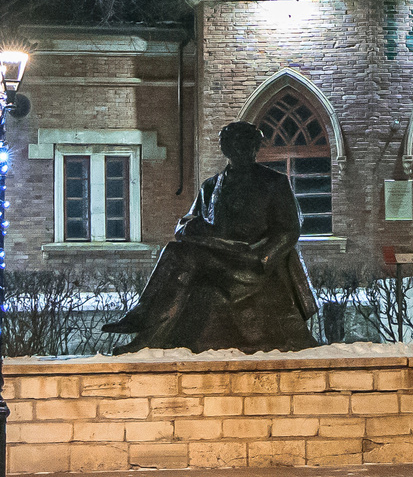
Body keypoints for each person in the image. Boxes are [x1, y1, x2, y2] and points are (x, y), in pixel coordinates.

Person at [100, 119, 317, 353]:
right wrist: (191, 228)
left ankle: (143, 320)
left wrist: (263, 257)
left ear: (255, 147)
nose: (242, 150)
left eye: (247, 144)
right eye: (235, 144)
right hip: (218, 255)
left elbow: (290, 228)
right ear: (226, 149)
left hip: (250, 260)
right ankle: (145, 333)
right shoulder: (211, 186)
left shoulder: (274, 182)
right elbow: (185, 222)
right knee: (177, 252)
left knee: (181, 256)